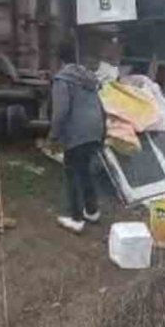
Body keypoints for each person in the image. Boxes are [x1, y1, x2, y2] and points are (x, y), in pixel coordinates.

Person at [49, 42, 107, 234]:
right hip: (96, 128)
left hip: (78, 132)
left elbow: (61, 111)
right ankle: (92, 211)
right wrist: (103, 131)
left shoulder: (62, 79)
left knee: (72, 171)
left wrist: (53, 136)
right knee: (85, 171)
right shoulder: (87, 79)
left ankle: (75, 218)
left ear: (59, 60)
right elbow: (101, 106)